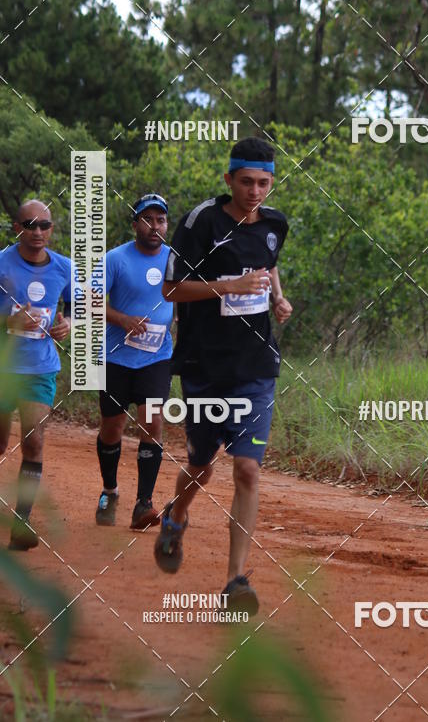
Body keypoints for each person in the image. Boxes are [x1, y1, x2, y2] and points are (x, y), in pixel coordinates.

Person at [154, 137, 292, 616]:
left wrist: (277, 297)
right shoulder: (201, 222)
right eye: (247, 181)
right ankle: (176, 515)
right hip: (202, 366)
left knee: (248, 469)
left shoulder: (275, 224)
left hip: (255, 366)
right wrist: (226, 288)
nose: (255, 191)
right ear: (229, 179)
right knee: (202, 466)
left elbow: (269, 265)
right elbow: (172, 290)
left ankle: (235, 581)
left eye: (265, 183)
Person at [96, 194, 173, 529]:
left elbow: (182, 300)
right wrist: (122, 320)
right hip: (116, 358)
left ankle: (144, 503)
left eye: (160, 220)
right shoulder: (115, 259)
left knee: (152, 424)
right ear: (135, 224)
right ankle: (110, 490)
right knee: (112, 427)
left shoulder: (175, 259)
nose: (154, 226)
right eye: (147, 219)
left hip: (157, 357)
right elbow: (90, 303)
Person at [0, 200, 71, 550]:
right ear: (18, 228)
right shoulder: (1, 263)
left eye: (45, 225)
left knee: (34, 442)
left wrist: (67, 323)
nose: (38, 232)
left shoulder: (63, 268)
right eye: (30, 225)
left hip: (40, 367)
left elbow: (79, 305)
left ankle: (21, 522)